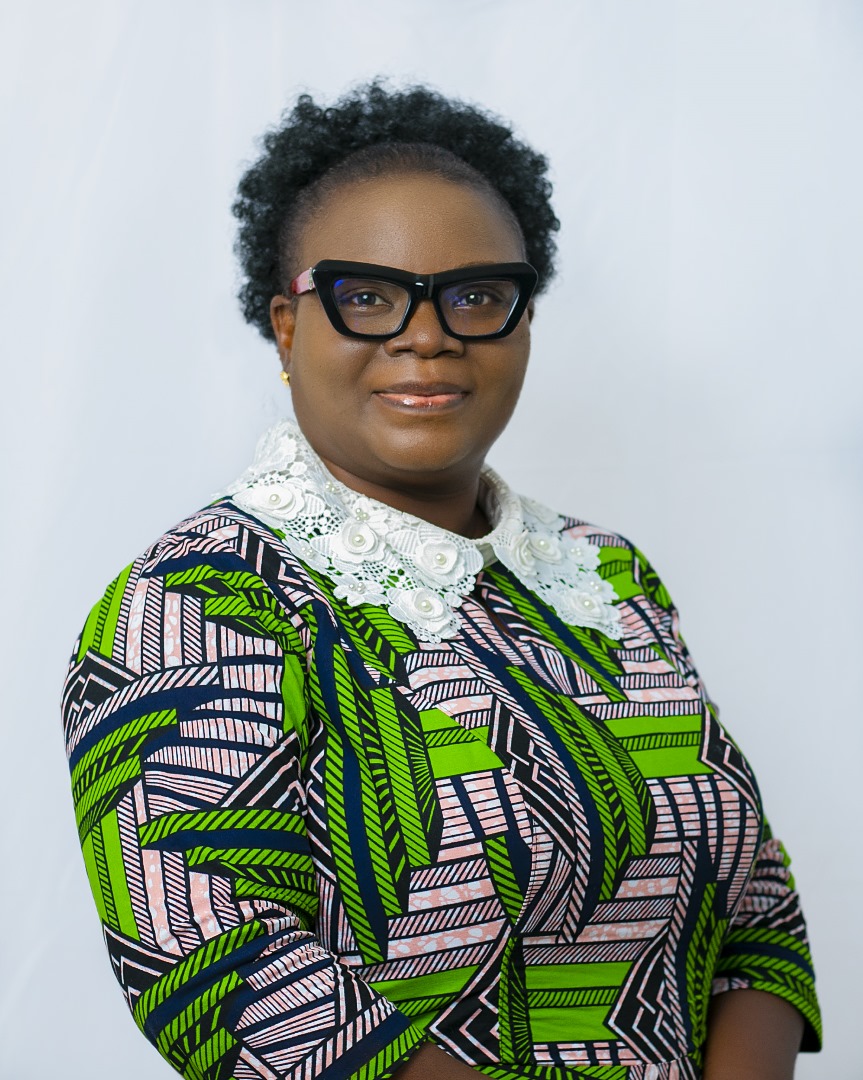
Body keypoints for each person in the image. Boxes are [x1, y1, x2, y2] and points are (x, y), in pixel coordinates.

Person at [61, 82, 820, 1080]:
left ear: (521, 321)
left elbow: (755, 907)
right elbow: (223, 975)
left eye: (473, 295)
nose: (427, 336)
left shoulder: (606, 575)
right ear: (286, 324)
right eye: (367, 295)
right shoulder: (196, 601)